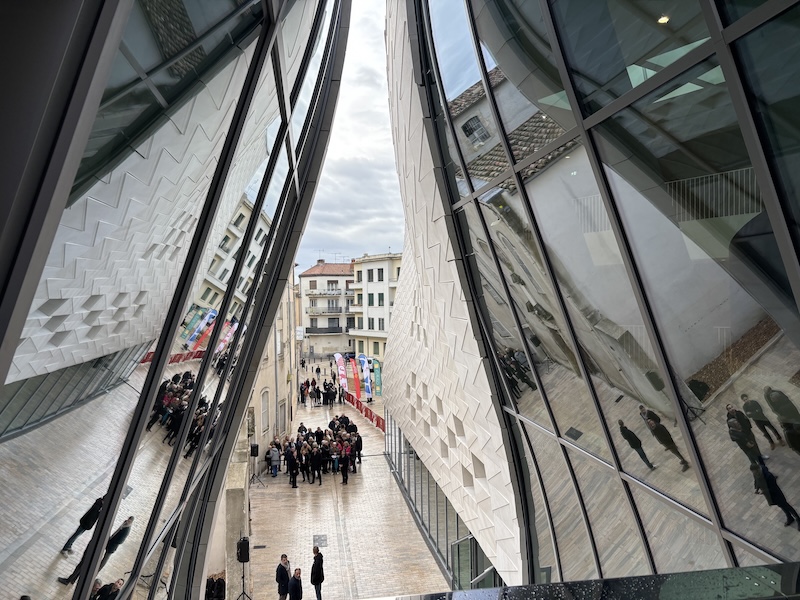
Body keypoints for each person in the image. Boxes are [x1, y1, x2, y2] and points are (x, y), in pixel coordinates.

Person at [58, 517, 134, 584]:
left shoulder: (105, 531)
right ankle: (73, 579)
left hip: (94, 548)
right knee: (83, 565)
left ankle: (69, 580)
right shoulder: (110, 529)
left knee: (82, 564)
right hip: (97, 549)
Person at [750, 464, 800, 528]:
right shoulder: (756, 474)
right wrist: (756, 489)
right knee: (782, 506)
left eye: (754, 471)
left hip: (776, 494)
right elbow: (756, 480)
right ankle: (789, 517)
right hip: (770, 495)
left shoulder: (768, 476)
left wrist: (764, 491)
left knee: (786, 506)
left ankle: (798, 519)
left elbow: (773, 487)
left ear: (757, 469)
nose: (754, 473)